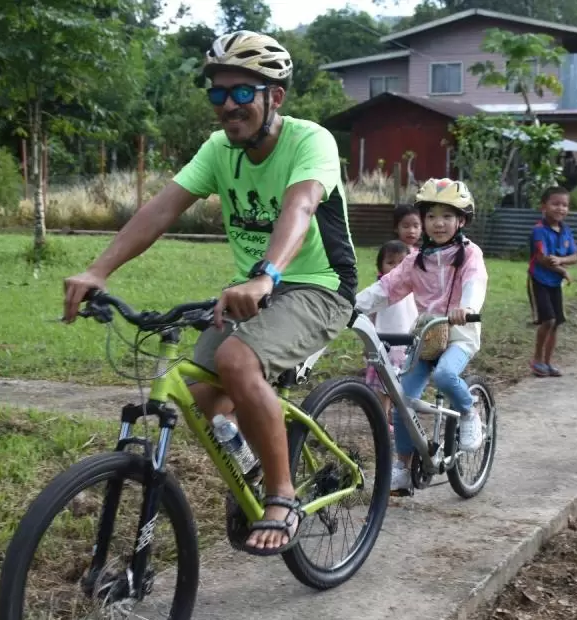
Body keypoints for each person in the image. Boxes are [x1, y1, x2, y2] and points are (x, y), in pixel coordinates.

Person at [62, 30, 358, 556]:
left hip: (318, 286)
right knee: (200, 388)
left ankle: (281, 493)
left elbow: (300, 208)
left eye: (244, 92)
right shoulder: (219, 150)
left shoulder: (311, 141)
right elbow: (162, 208)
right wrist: (98, 270)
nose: (229, 105)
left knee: (237, 360)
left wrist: (266, 274)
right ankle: (253, 459)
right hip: (252, 291)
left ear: (276, 98)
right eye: (218, 93)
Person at [355, 178, 489, 494]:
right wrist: (351, 307)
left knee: (445, 375)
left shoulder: (470, 254)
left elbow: (475, 283)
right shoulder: (416, 260)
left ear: (461, 220)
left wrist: (466, 307)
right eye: (431, 216)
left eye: (446, 216)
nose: (438, 223)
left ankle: (469, 412)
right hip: (427, 335)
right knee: (403, 398)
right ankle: (402, 468)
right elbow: (386, 288)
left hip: (459, 332)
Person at [363, 239, 419, 419]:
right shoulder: (380, 291)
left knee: (401, 387)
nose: (396, 268)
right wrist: (368, 342)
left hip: (407, 346)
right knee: (383, 387)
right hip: (384, 346)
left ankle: (394, 419)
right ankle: (382, 420)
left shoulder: (414, 289)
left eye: (401, 263)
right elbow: (369, 317)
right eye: (390, 263)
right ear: (380, 267)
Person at [528, 186, 577, 377]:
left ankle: (548, 362)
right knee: (548, 320)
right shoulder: (539, 230)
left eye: (564, 205)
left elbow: (575, 256)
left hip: (554, 283)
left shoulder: (565, 231)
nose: (560, 208)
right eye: (555, 204)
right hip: (540, 280)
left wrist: (562, 262)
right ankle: (537, 360)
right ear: (544, 206)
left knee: (556, 322)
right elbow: (542, 258)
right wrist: (563, 270)